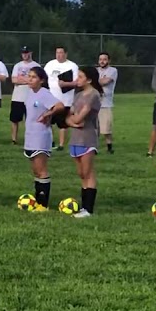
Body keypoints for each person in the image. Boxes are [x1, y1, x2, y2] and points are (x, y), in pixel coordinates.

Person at [21, 67, 68, 212]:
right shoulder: (30, 93)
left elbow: (60, 106)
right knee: (35, 171)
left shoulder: (44, 94)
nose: (30, 79)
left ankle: (43, 205)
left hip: (41, 136)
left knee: (41, 170)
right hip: (30, 136)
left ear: (42, 80)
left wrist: (48, 114)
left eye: (34, 77)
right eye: (29, 76)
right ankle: (38, 200)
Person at [65, 67, 103, 218]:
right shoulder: (78, 94)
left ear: (89, 80)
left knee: (88, 173)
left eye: (80, 77)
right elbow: (68, 117)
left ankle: (88, 209)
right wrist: (72, 123)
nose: (77, 79)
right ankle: (83, 207)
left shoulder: (94, 95)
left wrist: (73, 120)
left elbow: (80, 116)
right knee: (81, 173)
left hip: (87, 138)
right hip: (75, 137)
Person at [43, 46, 79, 150]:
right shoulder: (50, 64)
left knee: (62, 123)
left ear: (66, 54)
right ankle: (51, 142)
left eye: (61, 52)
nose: (59, 55)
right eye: (57, 52)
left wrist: (65, 84)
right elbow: (44, 78)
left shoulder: (72, 66)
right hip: (51, 99)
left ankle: (61, 145)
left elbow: (77, 82)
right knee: (49, 122)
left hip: (65, 100)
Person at [9, 45, 37, 145]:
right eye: (23, 53)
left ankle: (30, 139)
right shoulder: (17, 65)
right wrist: (28, 80)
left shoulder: (36, 66)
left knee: (30, 120)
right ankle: (14, 139)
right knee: (15, 119)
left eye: (26, 53)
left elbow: (36, 81)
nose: (24, 55)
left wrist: (22, 80)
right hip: (17, 97)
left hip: (31, 97)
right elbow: (14, 80)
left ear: (30, 53)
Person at [95, 52, 118, 154]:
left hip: (106, 103)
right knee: (94, 127)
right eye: (100, 59)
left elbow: (105, 81)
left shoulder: (113, 70)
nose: (102, 61)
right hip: (95, 102)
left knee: (106, 128)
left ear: (108, 60)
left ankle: (109, 147)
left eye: (104, 59)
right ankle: (93, 148)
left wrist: (95, 81)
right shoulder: (96, 71)